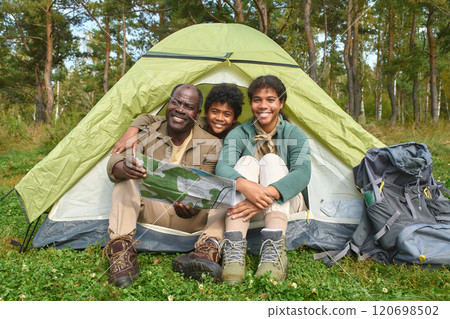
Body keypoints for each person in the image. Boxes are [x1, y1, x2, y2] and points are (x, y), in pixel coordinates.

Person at [106, 84, 244, 286]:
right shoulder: (147, 133)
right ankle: (121, 252)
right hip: (151, 211)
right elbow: (116, 159)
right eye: (175, 102)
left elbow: (207, 187)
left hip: (192, 218)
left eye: (188, 106)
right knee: (124, 180)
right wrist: (121, 166)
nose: (180, 109)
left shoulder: (212, 143)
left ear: (197, 114)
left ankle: (207, 250)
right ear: (168, 105)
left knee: (224, 194)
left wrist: (195, 207)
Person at [215, 75, 311, 283]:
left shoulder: (295, 133)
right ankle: (234, 252)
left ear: (281, 103)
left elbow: (303, 172)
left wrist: (264, 195)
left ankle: (274, 250)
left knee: (271, 161)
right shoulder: (239, 133)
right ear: (251, 104)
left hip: (285, 206)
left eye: (270, 99)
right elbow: (222, 167)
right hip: (243, 207)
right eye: (257, 100)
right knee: (246, 162)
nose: (263, 105)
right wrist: (247, 187)